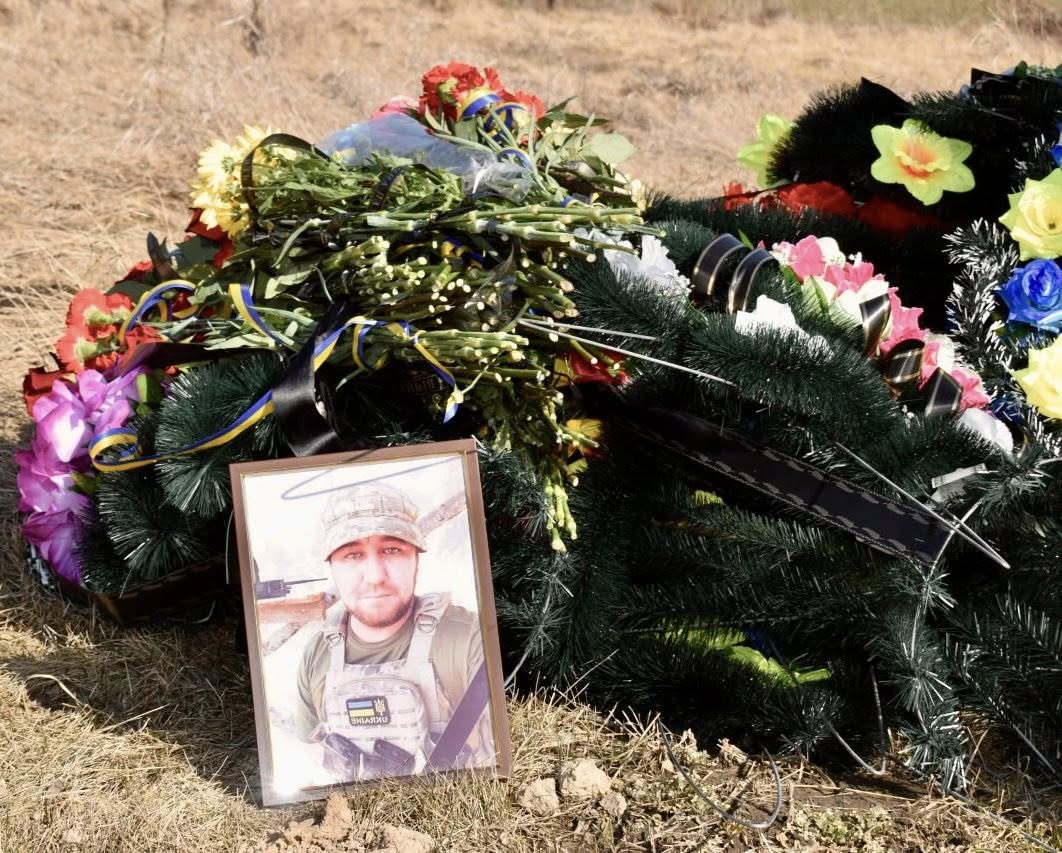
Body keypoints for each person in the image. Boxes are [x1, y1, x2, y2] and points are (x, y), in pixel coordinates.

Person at [293, 479, 494, 780]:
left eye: (391, 549)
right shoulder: (316, 654)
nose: (375, 576)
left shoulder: (470, 638)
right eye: (352, 555)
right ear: (332, 566)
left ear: (416, 560)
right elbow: (310, 754)